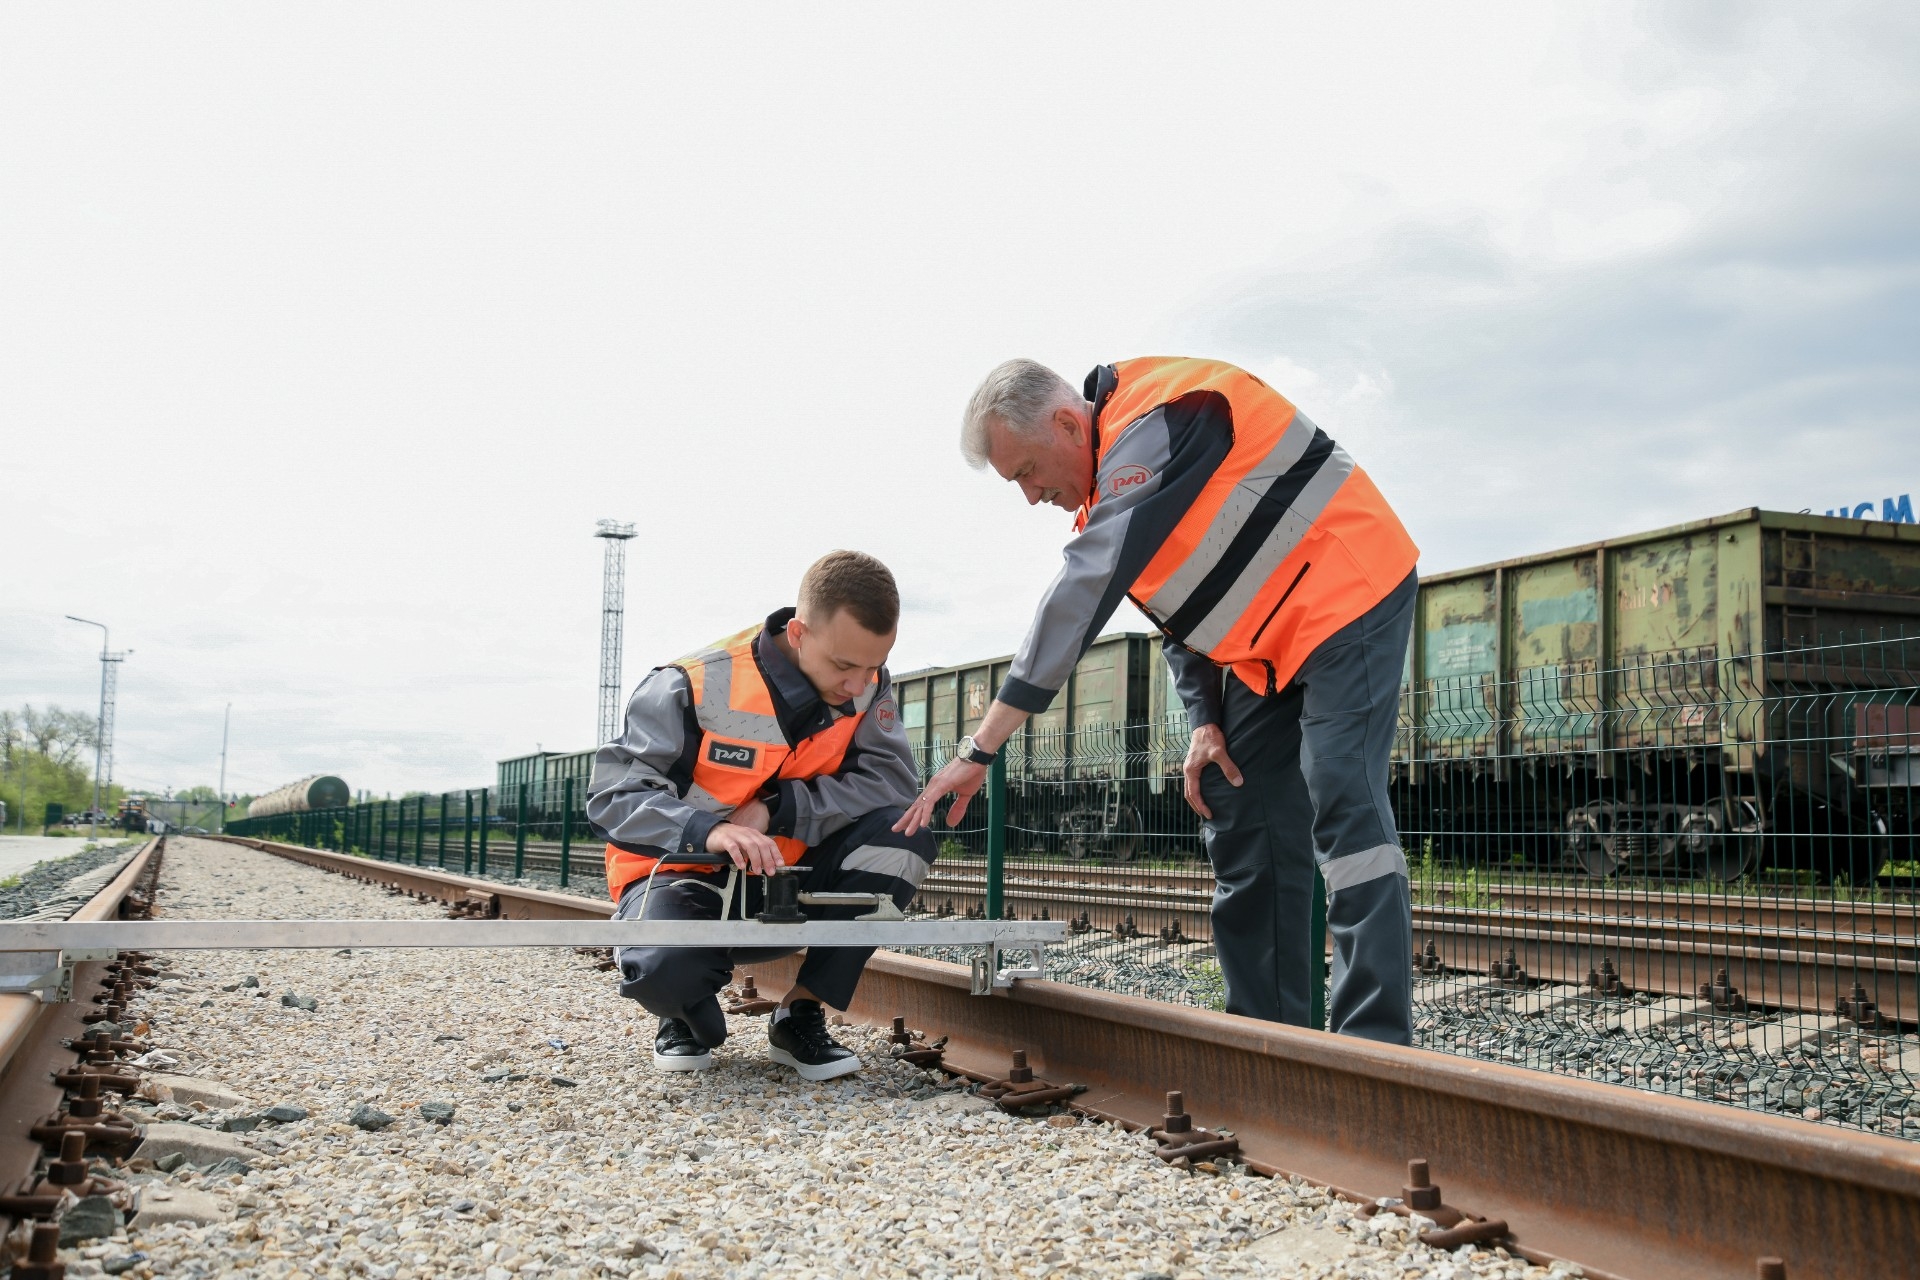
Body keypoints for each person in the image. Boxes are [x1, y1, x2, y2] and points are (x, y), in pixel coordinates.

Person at [898, 357, 1420, 1044]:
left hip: (1350, 589)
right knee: (1238, 803)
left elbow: (1085, 590)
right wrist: (1205, 718)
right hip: (1267, 644)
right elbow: (1179, 611)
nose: (1029, 496)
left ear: (1064, 422)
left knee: (1341, 793)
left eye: (1025, 471)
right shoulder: (1113, 487)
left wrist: (980, 749)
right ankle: (1273, 1043)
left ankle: (1373, 1048)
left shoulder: (1163, 418)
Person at [588, 550, 936, 1079]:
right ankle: (682, 1011)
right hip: (683, 877)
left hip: (792, 885)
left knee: (903, 832)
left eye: (873, 666)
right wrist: (711, 831)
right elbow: (613, 795)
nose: (859, 685)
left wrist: (779, 809)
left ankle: (801, 1012)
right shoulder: (689, 684)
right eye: (844, 666)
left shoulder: (869, 685)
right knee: (666, 972)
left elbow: (890, 782)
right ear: (798, 634)